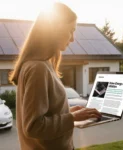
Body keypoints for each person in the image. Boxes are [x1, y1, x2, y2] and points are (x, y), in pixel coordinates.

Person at [9, 2, 101, 150]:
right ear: (54, 29)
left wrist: (68, 113)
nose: (72, 39)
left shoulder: (43, 65)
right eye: (71, 30)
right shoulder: (38, 68)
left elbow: (45, 115)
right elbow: (33, 127)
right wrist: (72, 118)